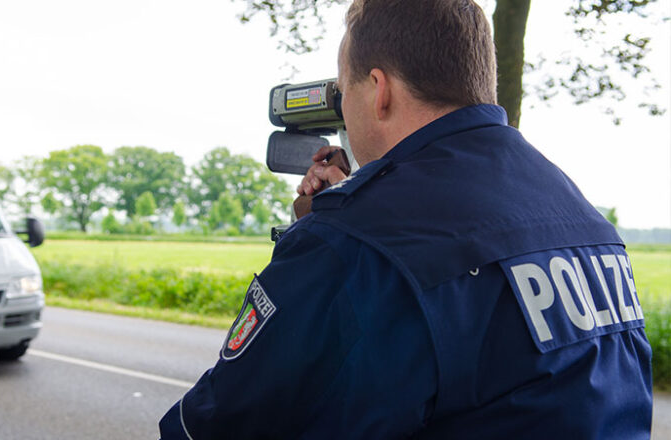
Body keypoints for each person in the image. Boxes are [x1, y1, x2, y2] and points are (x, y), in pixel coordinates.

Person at [159, 0, 652, 438]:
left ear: (379, 91)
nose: (344, 111)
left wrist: (322, 234)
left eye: (342, 93)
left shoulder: (352, 242)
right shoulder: (583, 218)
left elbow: (219, 421)